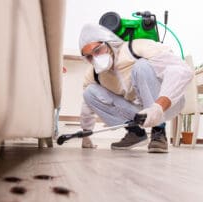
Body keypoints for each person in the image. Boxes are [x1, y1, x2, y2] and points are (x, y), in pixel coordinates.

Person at [79, 23, 193, 153]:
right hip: (139, 113)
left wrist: (159, 107)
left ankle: (159, 132)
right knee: (89, 92)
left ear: (108, 43)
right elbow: (88, 103)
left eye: (98, 50)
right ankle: (135, 133)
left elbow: (181, 70)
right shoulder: (94, 74)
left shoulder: (136, 48)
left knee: (141, 66)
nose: (95, 58)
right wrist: (86, 132)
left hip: (167, 104)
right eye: (89, 56)